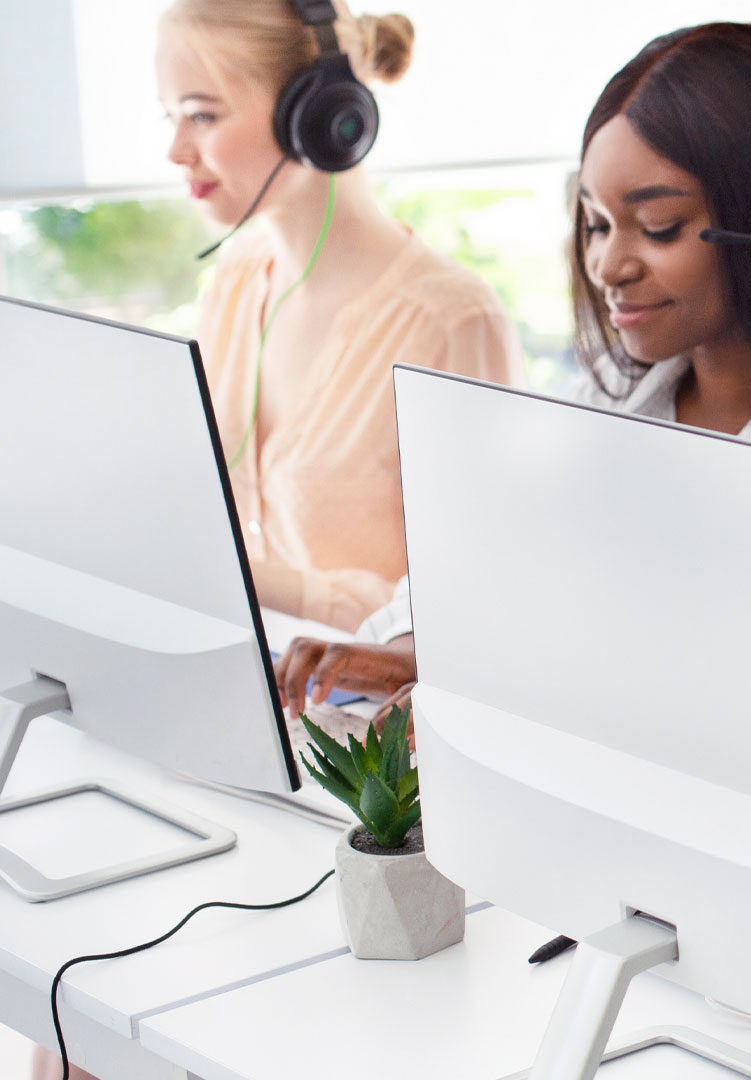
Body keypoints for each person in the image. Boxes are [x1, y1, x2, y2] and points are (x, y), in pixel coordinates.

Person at [271, 22, 751, 718]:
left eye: (657, 228)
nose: (608, 265)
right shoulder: (602, 408)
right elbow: (464, 575)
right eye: (594, 224)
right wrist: (405, 651)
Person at [156, 0, 522, 632]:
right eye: (170, 117)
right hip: (246, 695)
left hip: (372, 727)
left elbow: (477, 608)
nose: (175, 150)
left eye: (201, 115)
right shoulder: (237, 281)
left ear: (318, 114)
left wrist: (252, 581)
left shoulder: (452, 321)